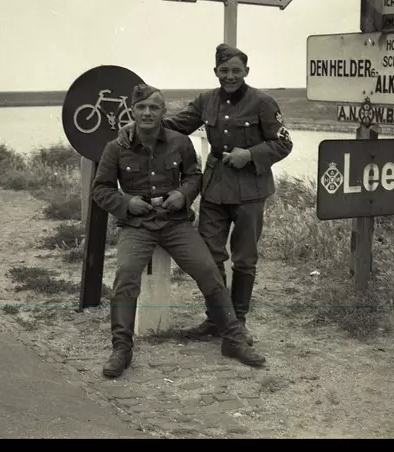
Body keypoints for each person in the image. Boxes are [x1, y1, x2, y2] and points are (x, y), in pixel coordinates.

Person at [117, 43, 294, 345]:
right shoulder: (206, 101)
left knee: (245, 258)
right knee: (211, 258)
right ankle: (215, 321)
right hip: (214, 189)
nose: (230, 76)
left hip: (251, 190)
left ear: (246, 72)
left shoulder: (263, 102)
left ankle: (238, 322)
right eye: (223, 71)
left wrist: (250, 154)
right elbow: (176, 125)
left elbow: (283, 144)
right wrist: (138, 127)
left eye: (236, 71)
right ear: (215, 72)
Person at [92, 83, 267, 379]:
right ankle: (122, 348)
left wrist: (184, 195)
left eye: (154, 107)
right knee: (126, 276)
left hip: (176, 223)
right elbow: (101, 189)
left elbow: (194, 176)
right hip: (138, 224)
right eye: (142, 108)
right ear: (132, 111)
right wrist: (126, 202)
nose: (147, 113)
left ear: (163, 111)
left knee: (209, 271)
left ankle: (234, 340)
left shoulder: (179, 142)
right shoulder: (116, 147)